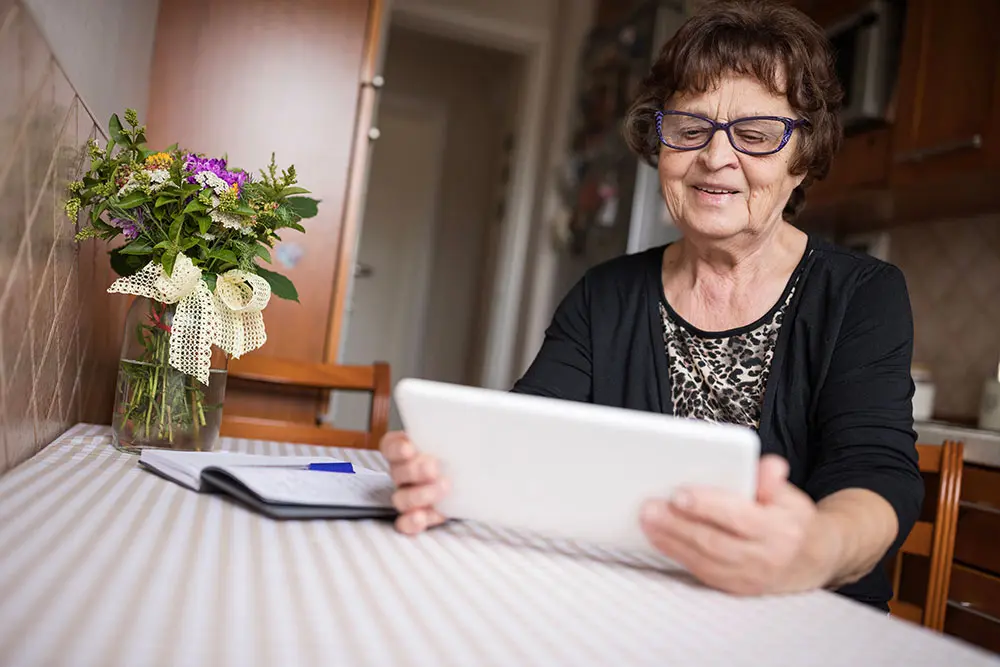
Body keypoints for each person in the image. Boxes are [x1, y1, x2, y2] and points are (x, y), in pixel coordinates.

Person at [380, 0, 923, 612]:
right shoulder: (605, 294)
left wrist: (815, 549)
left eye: (756, 135)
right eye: (690, 128)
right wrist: (450, 476)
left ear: (803, 156)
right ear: (658, 143)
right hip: (624, 605)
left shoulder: (862, 294)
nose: (716, 158)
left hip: (798, 616)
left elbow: (876, 472)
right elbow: (528, 441)